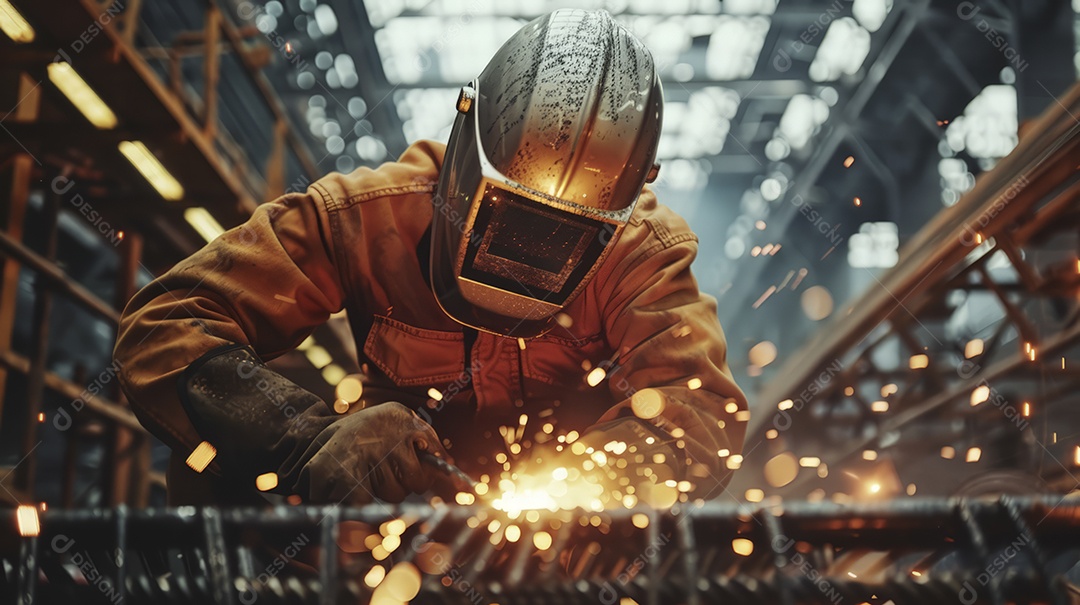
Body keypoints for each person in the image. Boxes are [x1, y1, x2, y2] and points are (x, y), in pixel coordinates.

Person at [114, 8, 747, 507]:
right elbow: (169, 324)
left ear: (620, 210)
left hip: (558, 551)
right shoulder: (367, 216)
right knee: (220, 472)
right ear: (466, 150)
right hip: (394, 517)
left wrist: (586, 481)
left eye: (561, 238)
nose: (522, 260)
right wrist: (306, 436)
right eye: (512, 221)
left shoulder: (641, 253)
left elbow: (701, 414)